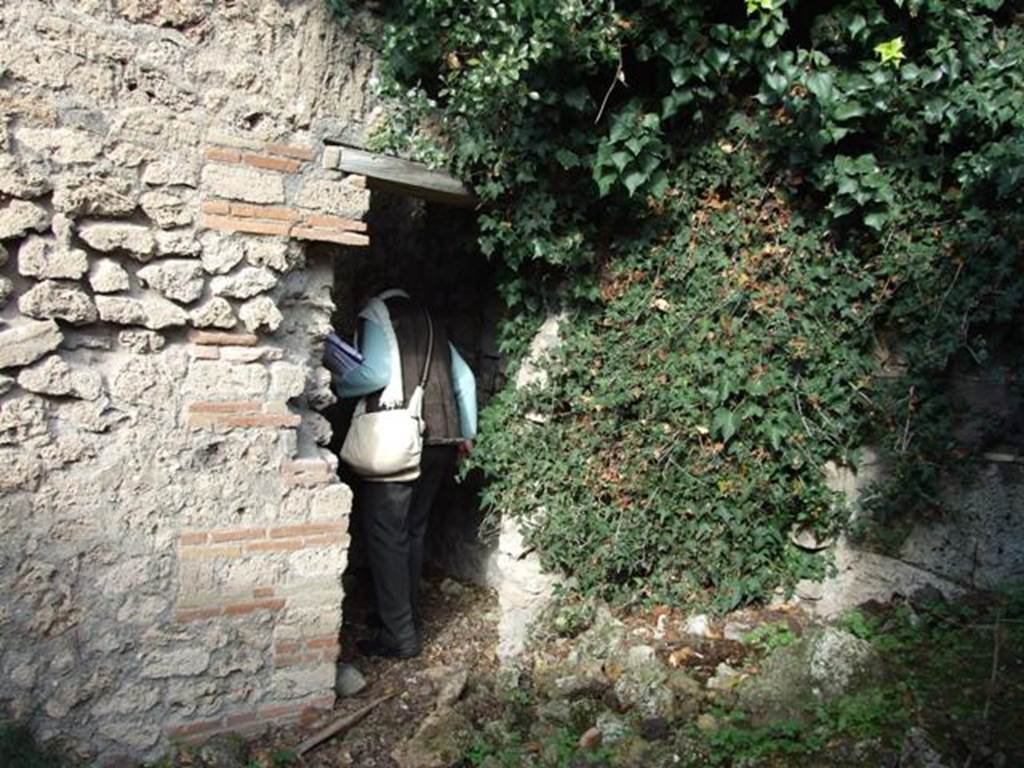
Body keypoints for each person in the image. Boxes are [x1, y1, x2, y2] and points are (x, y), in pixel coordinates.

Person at [326, 286, 477, 659]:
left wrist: (332, 382)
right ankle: (403, 618)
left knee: (387, 535)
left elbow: (374, 374)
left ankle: (399, 636)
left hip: (397, 439)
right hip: (441, 439)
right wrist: (467, 432)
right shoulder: (432, 322)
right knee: (412, 531)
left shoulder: (378, 314)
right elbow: (465, 379)